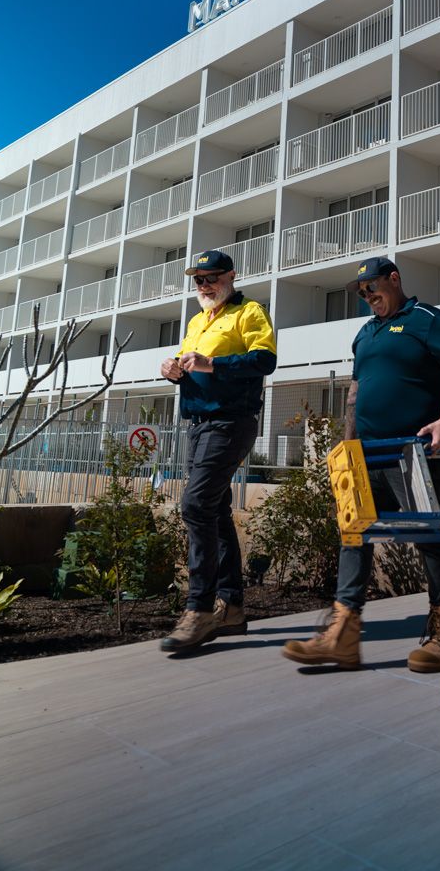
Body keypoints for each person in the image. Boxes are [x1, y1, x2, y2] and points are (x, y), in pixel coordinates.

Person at [283, 256, 440, 673]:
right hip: (366, 455)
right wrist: (346, 447)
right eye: (361, 292)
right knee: (354, 534)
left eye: (373, 287)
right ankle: (343, 635)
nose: (368, 296)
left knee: (430, 535)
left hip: (414, 453)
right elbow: (355, 394)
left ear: (394, 279)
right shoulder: (365, 334)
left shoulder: (425, 318)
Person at [159, 250, 277, 654]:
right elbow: (190, 362)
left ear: (231, 276)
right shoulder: (196, 320)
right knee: (214, 510)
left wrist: (213, 363)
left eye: (212, 278)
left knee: (194, 506)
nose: (205, 285)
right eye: (199, 280)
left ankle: (200, 608)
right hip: (198, 423)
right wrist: (174, 368)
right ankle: (233, 608)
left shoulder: (250, 312)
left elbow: (265, 360)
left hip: (230, 422)